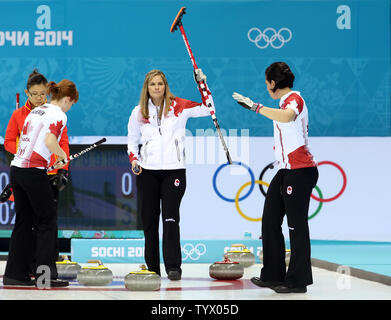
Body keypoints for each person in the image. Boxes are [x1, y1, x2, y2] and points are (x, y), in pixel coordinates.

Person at [232, 61, 318, 293]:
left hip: (300, 171)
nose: (266, 87)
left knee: (296, 227)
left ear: (272, 83)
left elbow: (288, 117)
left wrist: (256, 107)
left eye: (266, 83)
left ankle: (297, 282)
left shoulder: (293, 100)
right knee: (270, 221)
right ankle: (272, 274)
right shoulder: (282, 102)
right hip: (285, 170)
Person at [127, 69, 214, 280]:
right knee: (149, 222)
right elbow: (132, 141)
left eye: (160, 84)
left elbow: (208, 108)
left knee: (171, 219)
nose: (157, 87)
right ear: (146, 88)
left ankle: (174, 267)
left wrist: (202, 84)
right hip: (147, 172)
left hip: (174, 171)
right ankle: (153, 268)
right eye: (153, 84)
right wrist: (134, 160)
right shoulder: (138, 112)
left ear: (165, 86)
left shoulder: (179, 106)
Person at [3, 79, 78, 287]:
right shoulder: (58, 114)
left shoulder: (37, 111)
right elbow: (49, 142)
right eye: (71, 104)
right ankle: (45, 277)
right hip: (33, 172)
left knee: (24, 222)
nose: (70, 108)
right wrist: (62, 157)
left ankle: (15, 274)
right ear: (68, 99)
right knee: (46, 221)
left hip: (17, 170)